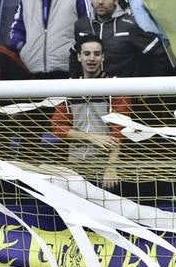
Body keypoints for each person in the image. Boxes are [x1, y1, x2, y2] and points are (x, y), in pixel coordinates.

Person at [50, 36, 131, 188]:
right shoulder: (67, 87)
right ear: (79, 57)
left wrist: (111, 168)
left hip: (105, 168)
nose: (92, 58)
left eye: (96, 54)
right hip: (74, 167)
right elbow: (57, 127)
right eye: (87, 54)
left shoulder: (115, 87)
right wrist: (90, 137)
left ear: (103, 57)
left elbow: (120, 131)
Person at [73, 0, 174, 78]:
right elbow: (74, 56)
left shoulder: (132, 25)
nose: (100, 2)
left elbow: (159, 55)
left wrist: (146, 87)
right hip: (90, 91)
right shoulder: (81, 25)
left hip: (124, 92)